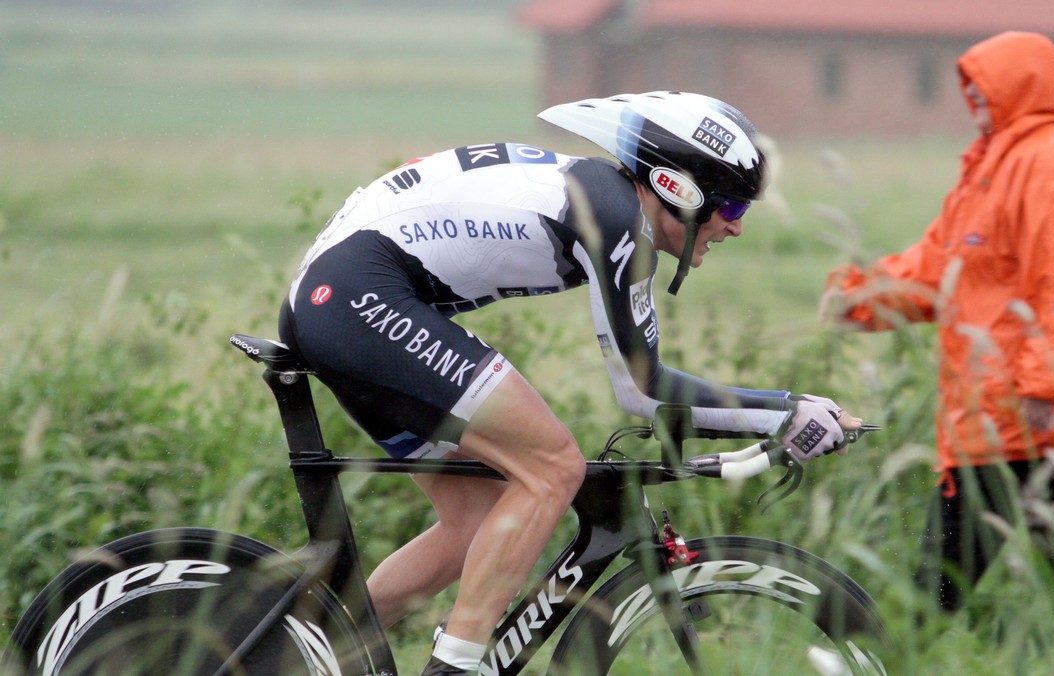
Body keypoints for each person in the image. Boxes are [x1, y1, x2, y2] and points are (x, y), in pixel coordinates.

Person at [278, 91, 862, 674]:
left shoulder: (606, 202)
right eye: (732, 209)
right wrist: (785, 411)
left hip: (343, 301)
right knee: (554, 466)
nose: (736, 228)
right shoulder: (613, 217)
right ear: (678, 189)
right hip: (354, 299)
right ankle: (454, 667)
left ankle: (298, 657)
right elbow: (644, 391)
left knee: (480, 520)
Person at [821, 31, 1054, 638]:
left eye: (983, 87)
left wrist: (1046, 389)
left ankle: (867, 657)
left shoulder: (1046, 159)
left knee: (966, 588)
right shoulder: (991, 168)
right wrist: (860, 298)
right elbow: (938, 269)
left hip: (1028, 422)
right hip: (989, 421)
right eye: (967, 88)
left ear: (1019, 87)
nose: (973, 100)